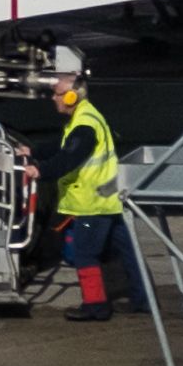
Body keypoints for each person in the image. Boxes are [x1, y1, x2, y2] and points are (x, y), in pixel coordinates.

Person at [47, 49, 143, 323]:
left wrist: (39, 170)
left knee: (84, 253)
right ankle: (143, 300)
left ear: (70, 96)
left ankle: (96, 307)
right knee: (128, 253)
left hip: (92, 205)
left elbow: (67, 158)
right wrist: (32, 151)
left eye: (56, 94)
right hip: (108, 200)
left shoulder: (85, 125)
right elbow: (61, 147)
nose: (52, 98)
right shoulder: (85, 117)